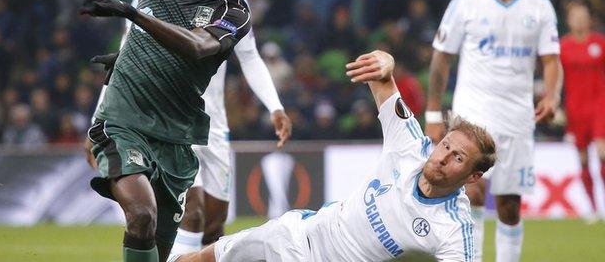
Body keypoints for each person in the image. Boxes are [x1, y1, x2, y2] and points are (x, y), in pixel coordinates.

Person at [83, 0, 292, 259]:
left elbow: (196, 46)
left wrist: (133, 15)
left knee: (205, 227)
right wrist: (124, 58)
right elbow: (134, 38)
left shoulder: (234, 13)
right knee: (142, 214)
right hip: (126, 121)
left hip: (182, 136)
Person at [178, 50, 497, 262]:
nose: (443, 157)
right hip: (300, 233)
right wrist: (386, 62)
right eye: (445, 146)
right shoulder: (411, 145)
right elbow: (383, 78)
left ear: (472, 176)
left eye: (458, 158)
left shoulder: (455, 229)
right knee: (208, 257)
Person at [424, 0, 562, 262]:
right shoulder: (466, 3)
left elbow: (551, 60)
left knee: (509, 204)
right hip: (473, 115)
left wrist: (553, 95)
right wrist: (432, 113)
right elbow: (442, 57)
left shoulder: (539, 7)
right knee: (471, 192)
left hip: (517, 118)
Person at [560, 0, 605, 223]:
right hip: (575, 110)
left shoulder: (600, 43)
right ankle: (593, 208)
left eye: (582, 15)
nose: (579, 19)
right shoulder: (562, 47)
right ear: (568, 20)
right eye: (574, 15)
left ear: (589, 18)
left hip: (599, 106)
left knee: (602, 152)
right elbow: (555, 78)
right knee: (584, 160)